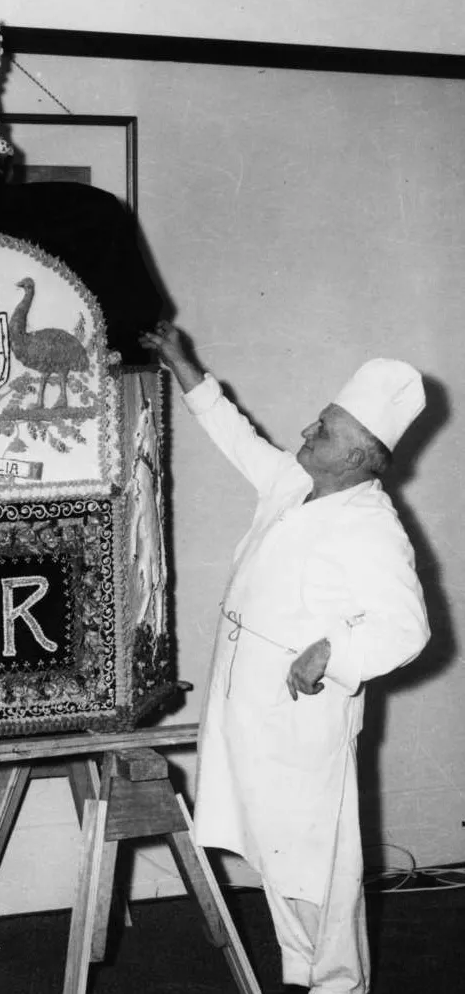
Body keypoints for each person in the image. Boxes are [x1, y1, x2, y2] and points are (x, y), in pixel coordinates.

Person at [140, 321, 430, 994]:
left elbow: (408, 629)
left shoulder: (370, 527)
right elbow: (234, 435)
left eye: (323, 430)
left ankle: (337, 985)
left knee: (317, 864)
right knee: (275, 856)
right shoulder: (292, 484)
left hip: (303, 720)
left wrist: (335, 649)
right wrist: (185, 366)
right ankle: (301, 974)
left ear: (358, 457)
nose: (306, 432)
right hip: (247, 707)